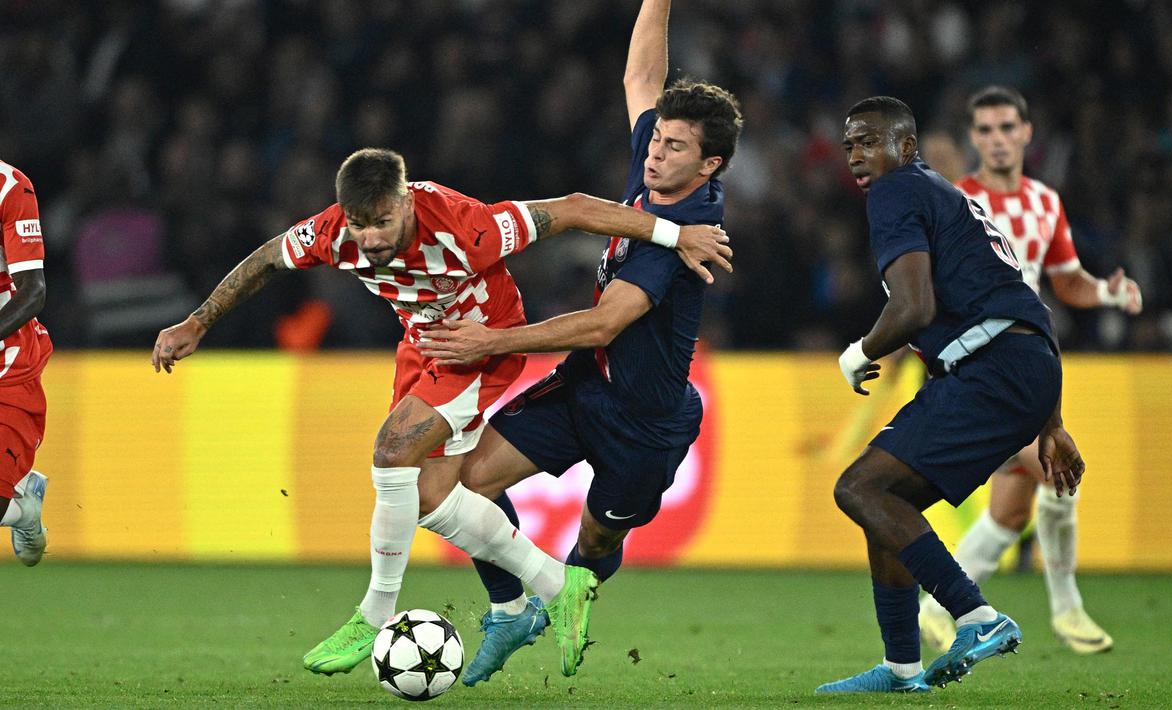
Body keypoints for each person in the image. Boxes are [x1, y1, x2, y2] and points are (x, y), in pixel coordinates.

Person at [150, 148, 731, 677]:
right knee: (429, 499)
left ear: (405, 202)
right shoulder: (333, 232)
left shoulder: (465, 227)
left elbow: (575, 209)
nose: (370, 238)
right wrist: (198, 321)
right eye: (359, 223)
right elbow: (267, 259)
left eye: (382, 221)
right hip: (423, 345)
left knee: (391, 452)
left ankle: (375, 614)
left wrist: (674, 233)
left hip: (480, 342)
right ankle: (555, 587)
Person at [417, 0, 741, 685]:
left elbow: (603, 324)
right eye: (656, 140)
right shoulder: (653, 188)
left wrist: (490, 341)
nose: (654, 152)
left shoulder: (684, 237)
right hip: (584, 386)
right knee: (468, 481)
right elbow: (640, 77)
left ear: (708, 165)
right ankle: (511, 611)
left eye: (674, 147)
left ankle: (573, 595)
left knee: (595, 538)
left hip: (646, 421)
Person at [815, 96, 1085, 693]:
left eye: (869, 141)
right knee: (883, 503)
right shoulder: (945, 197)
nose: (855, 155)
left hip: (989, 368)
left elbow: (915, 307)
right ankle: (902, 669)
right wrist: (1051, 422)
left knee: (859, 488)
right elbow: (1034, 311)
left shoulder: (896, 192)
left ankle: (976, 616)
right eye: (849, 144)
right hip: (1020, 365)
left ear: (906, 147)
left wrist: (858, 353)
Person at [917, 86, 1139, 656]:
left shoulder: (1045, 201)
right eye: (985, 130)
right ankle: (1067, 609)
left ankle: (935, 610)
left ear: (1026, 133)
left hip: (1029, 365)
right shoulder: (956, 201)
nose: (997, 139)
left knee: (1011, 511)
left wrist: (1107, 293)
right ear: (973, 138)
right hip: (981, 368)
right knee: (1058, 471)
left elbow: (1066, 280)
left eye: (1006, 128)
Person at [0, 159, 52, 568]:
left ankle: (22, 511)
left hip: (9, 368)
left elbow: (33, 291)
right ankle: (22, 511)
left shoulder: (10, 187)